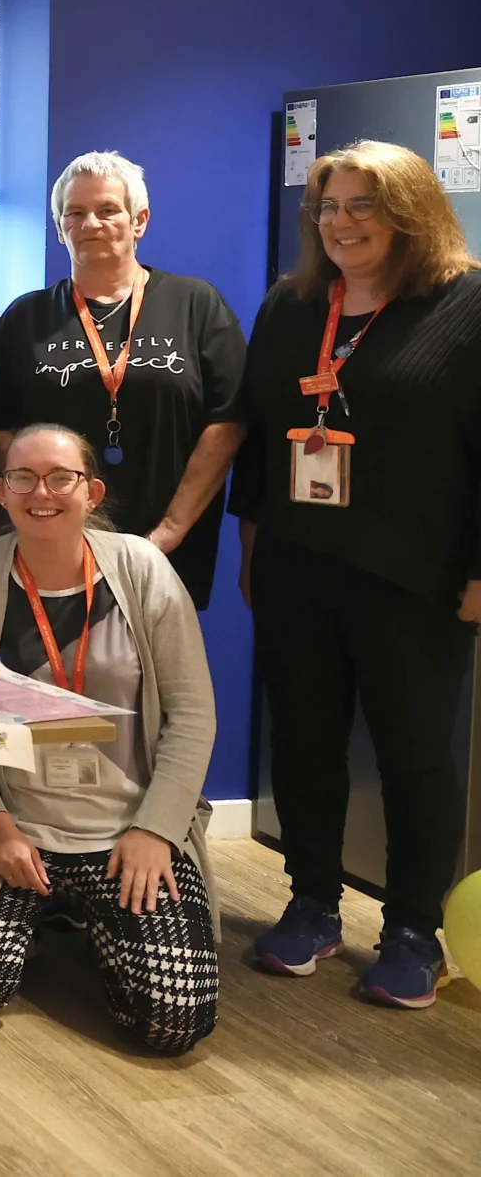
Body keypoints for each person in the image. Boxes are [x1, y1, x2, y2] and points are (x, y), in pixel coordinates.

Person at [232, 140, 481, 1009]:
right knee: (303, 738)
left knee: (416, 755)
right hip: (301, 565)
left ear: (410, 211)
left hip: (416, 575)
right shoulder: (293, 305)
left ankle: (413, 928)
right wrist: (252, 546)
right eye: (327, 208)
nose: (340, 223)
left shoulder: (466, 303)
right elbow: (260, 436)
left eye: (361, 206)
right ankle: (312, 901)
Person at [0, 424, 220, 1056]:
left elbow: (193, 713)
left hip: (126, 834)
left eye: (61, 477)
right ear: (2, 491)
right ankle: (48, 917)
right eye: (23, 478)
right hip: (16, 834)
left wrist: (157, 830)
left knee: (173, 1021)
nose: (42, 492)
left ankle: (94, 922)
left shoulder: (141, 568)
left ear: (91, 491)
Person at [0, 151, 247, 606]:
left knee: (156, 671)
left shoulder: (197, 305)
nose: (91, 223)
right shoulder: (26, 318)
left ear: (139, 220)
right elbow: (4, 429)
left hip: (166, 548)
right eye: (76, 213)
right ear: (60, 225)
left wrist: (168, 532)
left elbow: (227, 422)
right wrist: (41, 518)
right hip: (53, 547)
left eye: (107, 210)